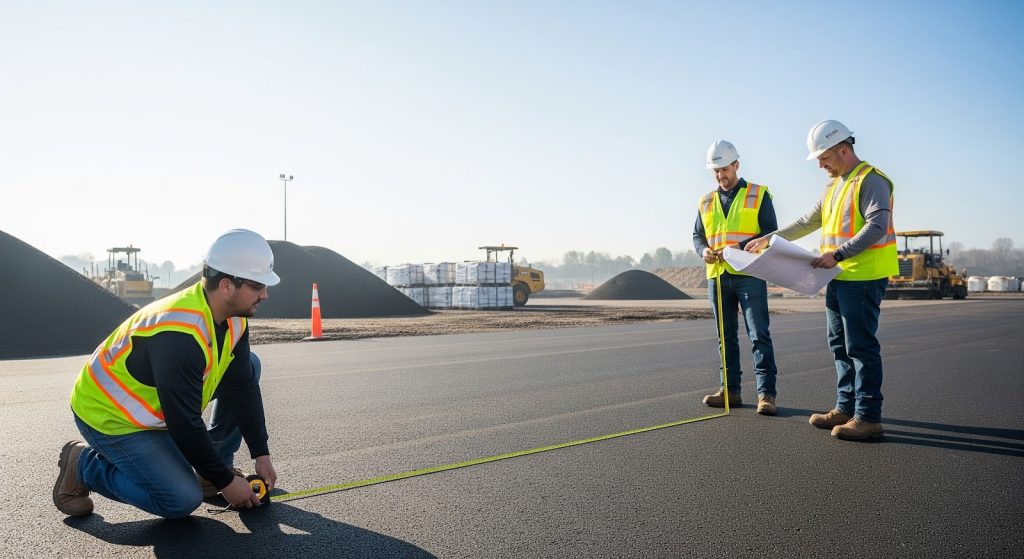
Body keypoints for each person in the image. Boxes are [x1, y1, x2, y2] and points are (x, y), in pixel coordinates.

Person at [53, 229, 281, 517]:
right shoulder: (179, 334)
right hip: (111, 416)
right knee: (180, 499)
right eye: (258, 285)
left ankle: (211, 472)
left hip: (160, 408)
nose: (265, 294)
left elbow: (243, 387)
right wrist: (227, 482)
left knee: (251, 365)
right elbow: (183, 422)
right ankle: (84, 466)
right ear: (226, 285)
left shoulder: (234, 318)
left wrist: (261, 454)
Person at [746, 120, 897, 441]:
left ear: (844, 150)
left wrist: (838, 254)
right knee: (839, 345)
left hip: (863, 276)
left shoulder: (871, 181)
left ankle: (869, 417)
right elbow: (806, 222)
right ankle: (845, 407)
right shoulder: (834, 185)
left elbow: (877, 225)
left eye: (824, 157)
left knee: (861, 346)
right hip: (838, 278)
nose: (819, 164)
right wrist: (767, 239)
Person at [694, 140, 780, 415]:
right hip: (717, 276)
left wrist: (742, 248)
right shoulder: (706, 201)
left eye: (724, 169)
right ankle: (730, 391)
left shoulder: (758, 194)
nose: (721, 176)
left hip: (750, 274)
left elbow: (771, 232)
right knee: (725, 336)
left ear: (737, 165)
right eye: (716, 171)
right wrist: (703, 250)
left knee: (759, 334)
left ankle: (766, 394)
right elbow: (698, 236)